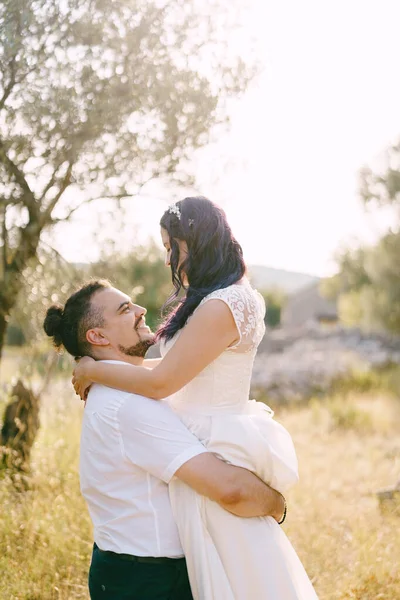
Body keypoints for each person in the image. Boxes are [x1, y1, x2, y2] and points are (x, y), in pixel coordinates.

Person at [72, 197, 319, 599]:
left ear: (196, 240)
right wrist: (106, 372)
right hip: (193, 432)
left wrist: (94, 370)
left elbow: (162, 382)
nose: (169, 257)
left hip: (214, 437)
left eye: (171, 247)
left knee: (238, 567)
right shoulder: (208, 301)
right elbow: (177, 371)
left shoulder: (228, 302)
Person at [43, 279, 285, 600]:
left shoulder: (124, 387)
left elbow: (178, 369)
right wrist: (277, 506)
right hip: (147, 580)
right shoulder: (129, 404)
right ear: (98, 336)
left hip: (131, 570)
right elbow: (230, 489)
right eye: (125, 309)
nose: (142, 311)